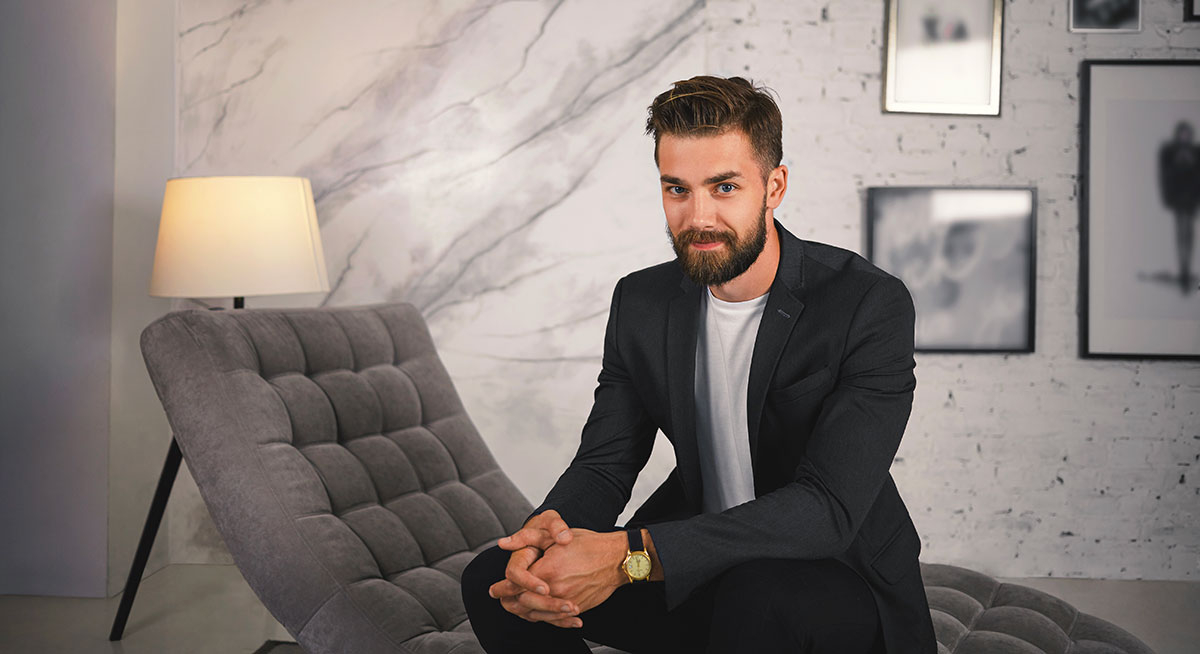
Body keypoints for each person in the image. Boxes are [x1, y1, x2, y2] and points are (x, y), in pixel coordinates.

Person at [461, 75, 937, 653]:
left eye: (724, 187)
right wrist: (547, 531)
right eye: (677, 189)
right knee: (497, 581)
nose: (698, 217)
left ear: (774, 187)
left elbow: (826, 509)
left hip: (834, 579)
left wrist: (630, 556)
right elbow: (606, 462)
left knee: (759, 595)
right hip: (695, 568)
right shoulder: (641, 302)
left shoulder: (866, 304)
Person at [1159, 121, 1200, 295]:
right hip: (1179, 200)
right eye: (1182, 134)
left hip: (1191, 200)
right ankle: (1184, 270)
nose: (1185, 137)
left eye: (1187, 134)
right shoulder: (1170, 152)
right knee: (1182, 235)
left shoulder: (1196, 152)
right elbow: (1165, 176)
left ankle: (1186, 269)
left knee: (1188, 235)